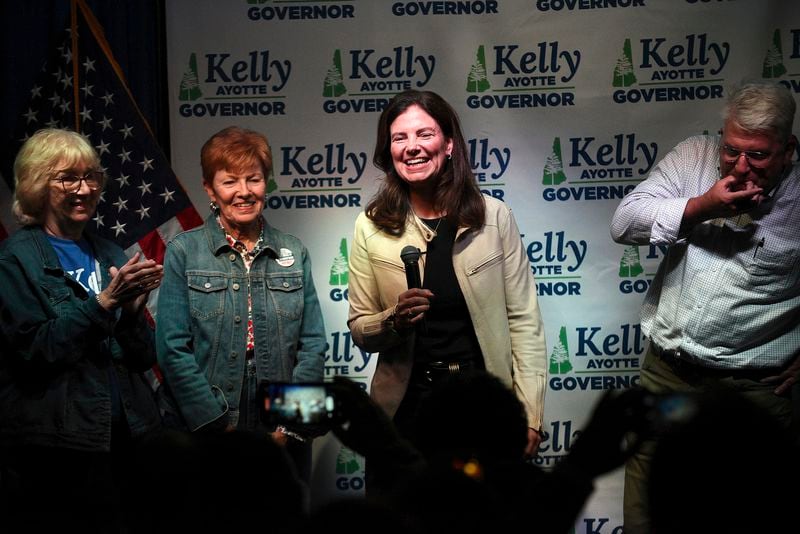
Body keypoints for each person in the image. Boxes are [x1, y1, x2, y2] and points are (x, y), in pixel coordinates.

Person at [609, 81, 800, 533]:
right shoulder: (696, 156)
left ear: (788, 150)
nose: (740, 166)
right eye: (731, 150)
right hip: (668, 377)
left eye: (758, 155)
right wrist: (703, 205)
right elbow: (624, 222)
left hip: (754, 392)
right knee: (646, 517)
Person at [347, 89, 547, 462]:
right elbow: (360, 329)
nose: (412, 147)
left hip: (482, 404)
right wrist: (394, 319)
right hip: (404, 413)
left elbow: (524, 322)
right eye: (399, 138)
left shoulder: (494, 217)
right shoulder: (369, 226)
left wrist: (530, 416)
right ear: (388, 151)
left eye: (425, 134)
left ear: (449, 144)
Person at [0, 128, 163, 532]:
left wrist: (130, 316)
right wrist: (104, 303)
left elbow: (144, 357)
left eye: (91, 177)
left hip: (124, 441)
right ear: (38, 184)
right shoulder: (15, 260)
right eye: (68, 177)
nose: (84, 188)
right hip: (57, 450)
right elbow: (34, 351)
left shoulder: (108, 252)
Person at [155, 126, 326, 488]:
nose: (244, 192)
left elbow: (313, 344)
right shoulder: (184, 251)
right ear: (209, 189)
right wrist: (219, 426)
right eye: (230, 181)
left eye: (254, 179)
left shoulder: (294, 251)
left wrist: (288, 426)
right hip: (204, 420)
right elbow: (171, 348)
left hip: (281, 420)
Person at [327, 374, 648, 534]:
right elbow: (540, 517)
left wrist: (391, 451)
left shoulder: (403, 504)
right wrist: (579, 468)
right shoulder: (539, 508)